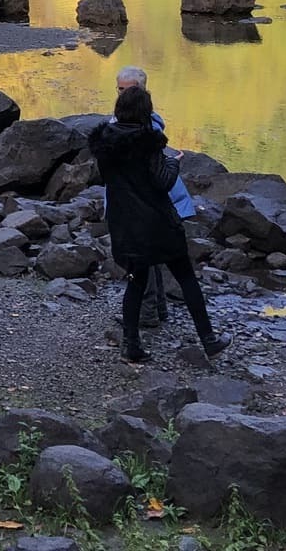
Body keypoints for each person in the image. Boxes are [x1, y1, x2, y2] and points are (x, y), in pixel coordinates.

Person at [91, 85, 230, 364]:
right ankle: (209, 340)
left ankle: (131, 345)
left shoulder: (103, 143)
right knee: (186, 278)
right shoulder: (148, 143)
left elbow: (109, 179)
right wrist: (175, 163)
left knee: (135, 281)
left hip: (124, 224)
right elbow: (162, 181)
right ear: (145, 112)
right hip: (157, 223)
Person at [115, 66, 193, 326]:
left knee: (142, 262)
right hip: (138, 204)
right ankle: (157, 310)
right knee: (150, 260)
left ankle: (146, 316)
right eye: (119, 89)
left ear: (142, 92)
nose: (121, 95)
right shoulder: (125, 124)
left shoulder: (146, 129)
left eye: (127, 90)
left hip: (144, 207)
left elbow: (157, 176)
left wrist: (173, 164)